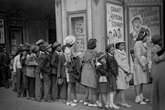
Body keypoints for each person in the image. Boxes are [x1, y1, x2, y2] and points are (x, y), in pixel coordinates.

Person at [97, 44, 119, 109]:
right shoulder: (109, 57)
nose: (113, 50)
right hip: (111, 75)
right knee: (111, 90)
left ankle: (110, 103)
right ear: (108, 50)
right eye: (112, 49)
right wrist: (115, 74)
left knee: (110, 90)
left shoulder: (110, 56)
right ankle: (109, 104)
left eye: (113, 49)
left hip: (109, 75)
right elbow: (111, 67)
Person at [133, 28, 149, 104]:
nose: (147, 38)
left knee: (142, 80)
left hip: (143, 63)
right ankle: (137, 97)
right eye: (146, 36)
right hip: (139, 64)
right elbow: (138, 55)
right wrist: (142, 65)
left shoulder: (142, 43)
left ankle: (141, 95)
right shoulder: (138, 43)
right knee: (138, 81)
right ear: (143, 36)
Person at [114, 40, 131, 108]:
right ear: (118, 46)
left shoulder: (123, 52)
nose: (123, 46)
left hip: (123, 72)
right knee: (122, 88)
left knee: (119, 88)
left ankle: (113, 101)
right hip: (120, 71)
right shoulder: (116, 53)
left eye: (123, 45)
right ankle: (123, 102)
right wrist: (127, 70)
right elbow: (119, 63)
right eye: (122, 45)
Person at [81, 38, 98, 107]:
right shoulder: (94, 52)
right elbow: (93, 62)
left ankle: (86, 100)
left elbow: (83, 59)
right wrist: (95, 69)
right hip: (90, 69)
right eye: (96, 43)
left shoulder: (86, 51)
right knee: (91, 85)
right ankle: (91, 101)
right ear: (94, 44)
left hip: (85, 68)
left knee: (87, 86)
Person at [151, 37, 165, 110]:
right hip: (157, 69)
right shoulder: (156, 48)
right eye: (160, 40)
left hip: (156, 69)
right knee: (157, 88)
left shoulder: (156, 47)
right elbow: (156, 59)